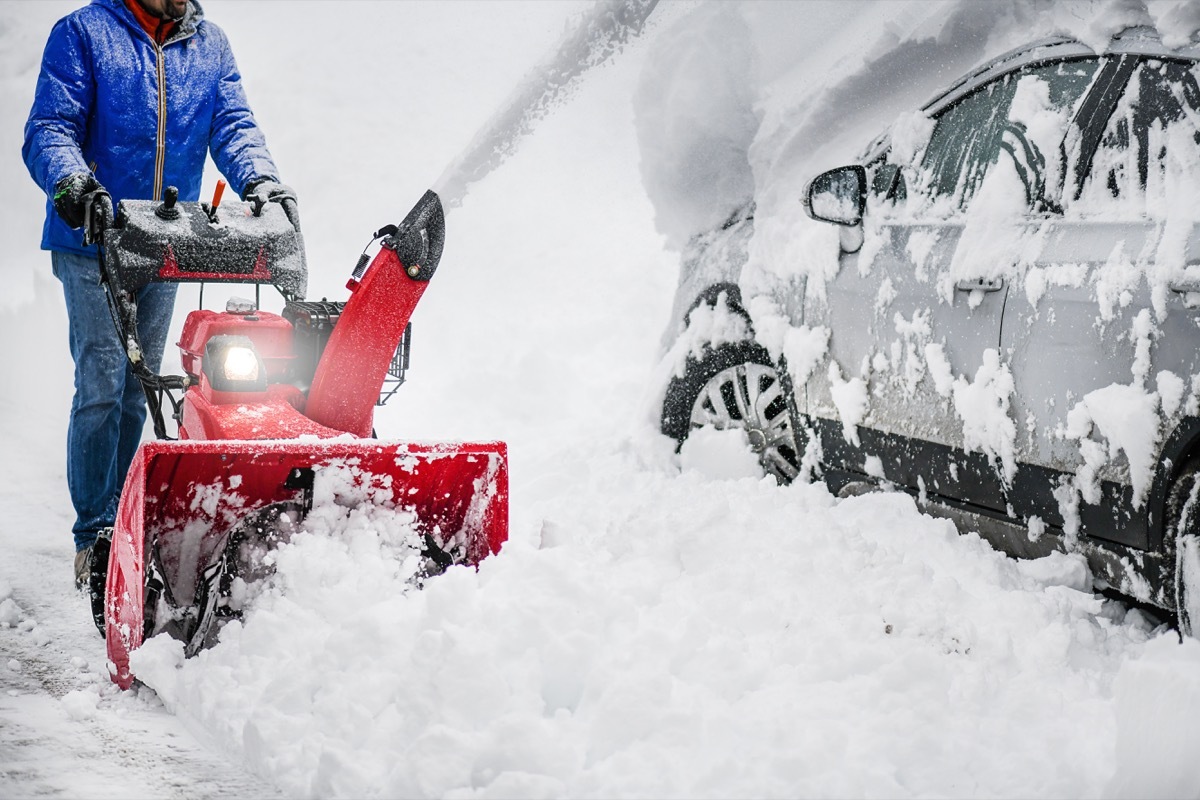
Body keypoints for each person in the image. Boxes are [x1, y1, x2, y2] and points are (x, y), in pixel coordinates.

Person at [22, 0, 297, 597]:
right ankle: (93, 535)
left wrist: (262, 180)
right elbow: (50, 129)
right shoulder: (84, 34)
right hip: (92, 237)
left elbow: (233, 125)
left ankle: (126, 519)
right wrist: (74, 185)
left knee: (135, 386)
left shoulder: (209, 44)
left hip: (164, 240)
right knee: (101, 379)